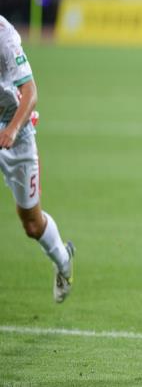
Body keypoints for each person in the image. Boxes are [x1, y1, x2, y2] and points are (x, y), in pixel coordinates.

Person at [0, 15, 74, 303]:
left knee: (31, 224)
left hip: (15, 130)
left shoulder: (4, 36)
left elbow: (30, 92)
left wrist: (12, 129)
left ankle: (63, 260)